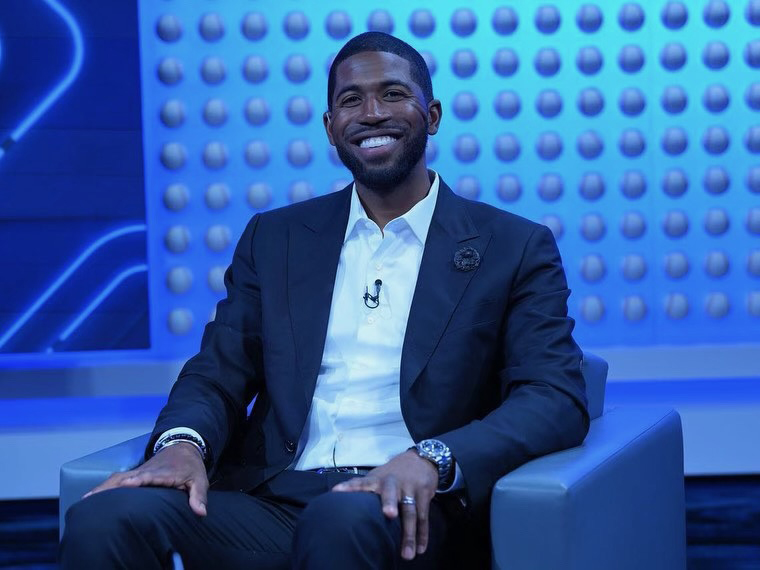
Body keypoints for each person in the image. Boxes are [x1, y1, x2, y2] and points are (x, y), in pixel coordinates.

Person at [60, 31, 589, 569]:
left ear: (431, 116)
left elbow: (554, 397)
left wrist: (432, 459)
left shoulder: (513, 246)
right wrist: (184, 444)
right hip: (276, 502)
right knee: (103, 517)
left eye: (393, 95)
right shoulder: (277, 240)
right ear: (330, 127)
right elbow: (216, 373)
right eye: (351, 100)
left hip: (413, 508)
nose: (372, 113)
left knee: (338, 525)